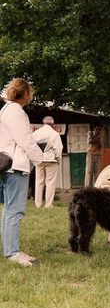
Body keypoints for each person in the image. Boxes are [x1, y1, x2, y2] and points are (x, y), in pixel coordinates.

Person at [0, 78, 43, 266]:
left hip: (8, 163)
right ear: (25, 93)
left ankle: (12, 249)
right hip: (15, 165)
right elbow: (25, 139)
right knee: (14, 210)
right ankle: (12, 252)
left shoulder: (7, 110)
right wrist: (41, 159)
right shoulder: (16, 111)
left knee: (10, 210)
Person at [32, 116, 63, 208]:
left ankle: (38, 204)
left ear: (43, 123)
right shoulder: (55, 134)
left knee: (39, 181)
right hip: (51, 159)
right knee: (50, 182)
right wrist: (58, 159)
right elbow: (58, 148)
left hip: (39, 159)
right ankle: (48, 204)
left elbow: (32, 146)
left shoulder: (36, 133)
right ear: (52, 124)